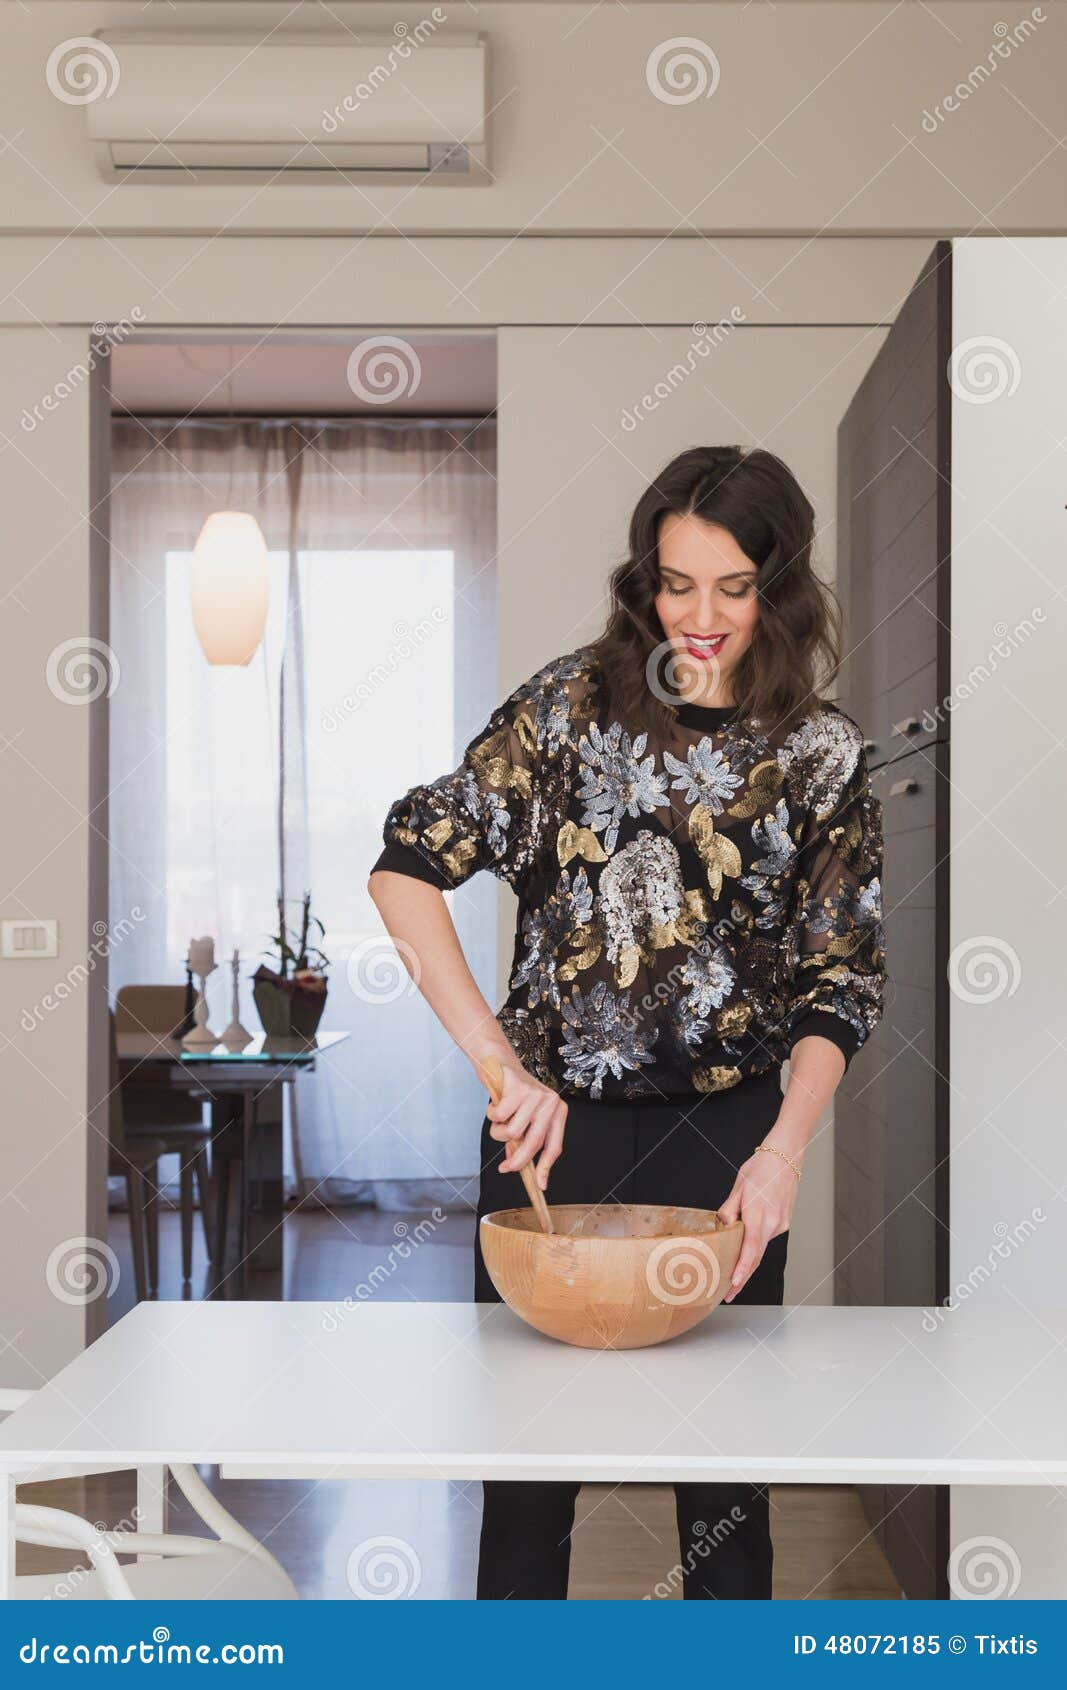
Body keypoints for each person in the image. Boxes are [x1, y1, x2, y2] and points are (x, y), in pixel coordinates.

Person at [368, 443, 887, 1599]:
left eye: (733, 588)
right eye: (675, 581)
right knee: (524, 1482)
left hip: (730, 1146)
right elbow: (403, 870)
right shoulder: (567, 708)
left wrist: (782, 1152)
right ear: (642, 580)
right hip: (556, 1138)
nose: (698, 617)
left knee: (723, 1497)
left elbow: (838, 981)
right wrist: (503, 1074)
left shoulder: (819, 752)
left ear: (779, 588)